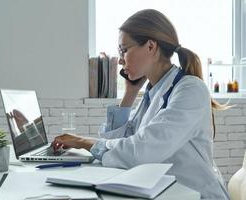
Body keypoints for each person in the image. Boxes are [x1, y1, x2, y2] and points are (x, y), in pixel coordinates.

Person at [51, 9, 230, 199]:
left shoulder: (190, 90)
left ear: (151, 47)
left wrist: (82, 142)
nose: (120, 60)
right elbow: (124, 140)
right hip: (164, 192)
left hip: (196, 195)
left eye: (124, 50)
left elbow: (141, 151)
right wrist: (130, 93)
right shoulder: (153, 92)